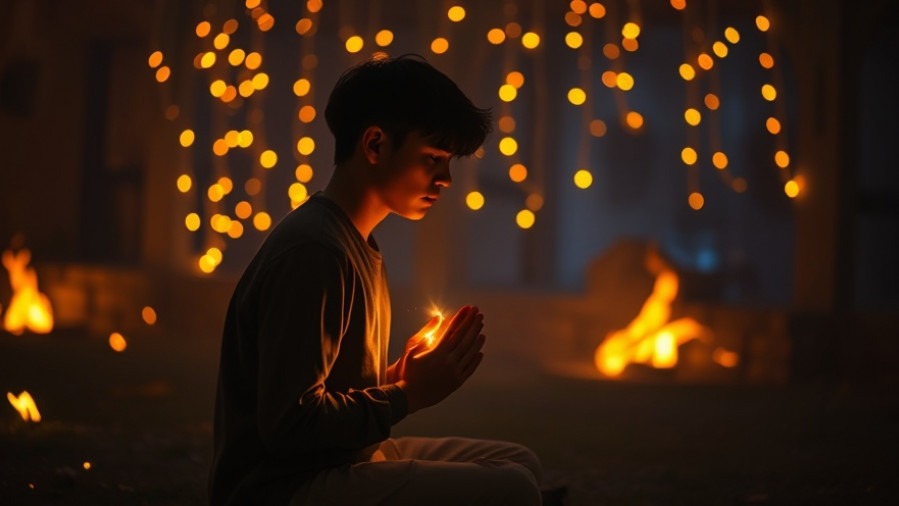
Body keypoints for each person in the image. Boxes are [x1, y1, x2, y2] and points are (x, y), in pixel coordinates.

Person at [208, 54, 544, 505]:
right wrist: (408, 394)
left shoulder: (357, 243)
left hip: (339, 460)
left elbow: (328, 396)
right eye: (432, 159)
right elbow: (290, 426)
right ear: (375, 144)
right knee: (515, 489)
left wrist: (397, 376)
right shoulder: (316, 251)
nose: (444, 180)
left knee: (520, 462)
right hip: (284, 486)